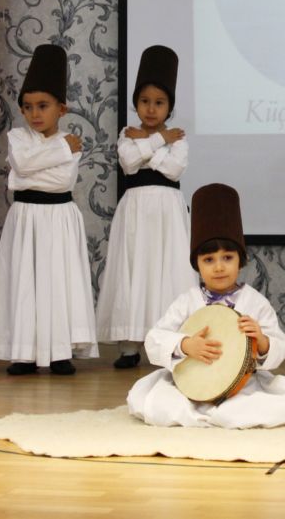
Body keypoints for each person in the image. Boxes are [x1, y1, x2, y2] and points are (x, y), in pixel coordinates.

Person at [127, 183, 285, 428]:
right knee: (150, 400)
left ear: (241, 259)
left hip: (242, 386)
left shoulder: (255, 303)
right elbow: (154, 338)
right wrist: (185, 345)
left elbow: (280, 347)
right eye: (209, 260)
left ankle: (218, 413)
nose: (219, 267)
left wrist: (262, 341)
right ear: (197, 264)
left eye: (227, 258)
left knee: (253, 408)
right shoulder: (187, 301)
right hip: (190, 381)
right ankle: (205, 412)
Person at [0, 45, 99, 375]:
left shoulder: (71, 141)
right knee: (25, 280)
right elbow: (20, 166)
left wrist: (31, 170)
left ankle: (60, 351)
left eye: (43, 106)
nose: (35, 114)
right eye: (28, 107)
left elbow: (60, 180)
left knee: (57, 281)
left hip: (58, 218)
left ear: (61, 108)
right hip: (25, 219)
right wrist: (56, 153)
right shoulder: (20, 137)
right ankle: (24, 352)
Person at [97, 45, 198, 369]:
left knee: (165, 269)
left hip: (167, 210)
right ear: (136, 104)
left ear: (169, 107)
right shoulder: (128, 136)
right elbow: (128, 162)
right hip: (136, 210)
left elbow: (172, 170)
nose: (151, 109)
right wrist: (158, 141)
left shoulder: (179, 138)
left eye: (159, 103)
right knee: (134, 269)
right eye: (144, 102)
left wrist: (152, 143)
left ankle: (170, 341)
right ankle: (129, 345)